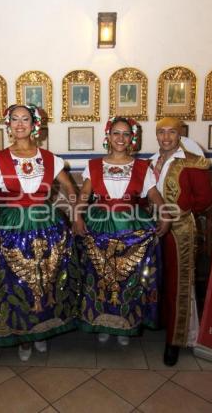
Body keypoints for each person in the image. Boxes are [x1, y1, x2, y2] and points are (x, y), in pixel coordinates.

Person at [0, 104, 78, 361]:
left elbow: (70, 188)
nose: (20, 124)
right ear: (8, 124)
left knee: (47, 277)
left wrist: (75, 214)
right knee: (15, 281)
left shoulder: (50, 158)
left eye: (25, 119)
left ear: (35, 124)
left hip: (47, 224)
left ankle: (42, 331)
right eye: (15, 119)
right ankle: (23, 336)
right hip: (10, 225)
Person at [74, 116, 170, 345]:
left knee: (129, 277)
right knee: (100, 275)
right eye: (116, 133)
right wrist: (77, 217)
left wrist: (165, 215)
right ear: (107, 136)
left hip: (132, 227)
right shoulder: (94, 165)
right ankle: (103, 322)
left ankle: (125, 322)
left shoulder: (142, 167)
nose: (120, 138)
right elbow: (84, 195)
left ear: (132, 139)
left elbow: (154, 195)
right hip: (99, 226)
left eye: (126, 134)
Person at [151, 117, 212, 366]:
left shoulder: (191, 162)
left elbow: (206, 199)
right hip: (154, 228)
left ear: (180, 134)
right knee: (159, 281)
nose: (166, 137)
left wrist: (183, 213)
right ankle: (164, 325)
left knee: (179, 284)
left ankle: (175, 341)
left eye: (171, 132)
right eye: (161, 132)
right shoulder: (152, 161)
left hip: (181, 232)